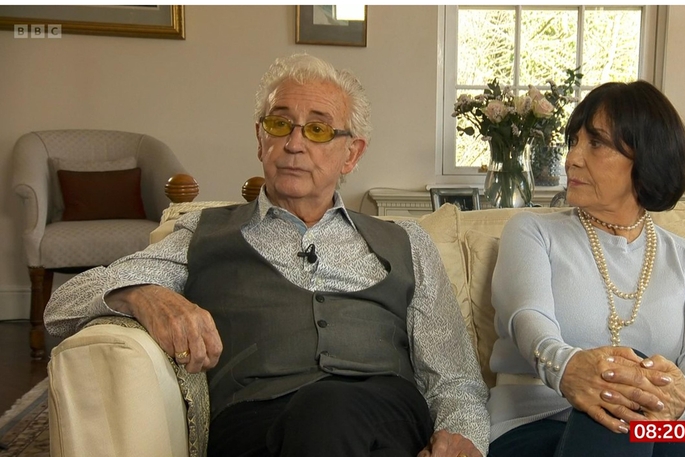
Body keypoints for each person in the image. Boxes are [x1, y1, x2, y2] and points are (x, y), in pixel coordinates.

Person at [44, 53, 489, 457]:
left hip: (384, 412)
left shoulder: (407, 243)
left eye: (317, 129)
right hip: (255, 424)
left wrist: (461, 437)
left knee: (330, 409)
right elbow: (60, 306)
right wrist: (140, 294)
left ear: (351, 154)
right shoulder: (201, 235)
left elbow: (455, 378)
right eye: (280, 125)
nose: (295, 144)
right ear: (260, 139)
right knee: (322, 417)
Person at [486, 81, 685, 457]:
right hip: (533, 428)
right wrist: (572, 370)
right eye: (575, 141)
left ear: (645, 158)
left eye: (595, 143)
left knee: (682, 443)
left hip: (647, 432)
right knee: (617, 416)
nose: (572, 158)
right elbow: (528, 319)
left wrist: (682, 399)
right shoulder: (532, 231)